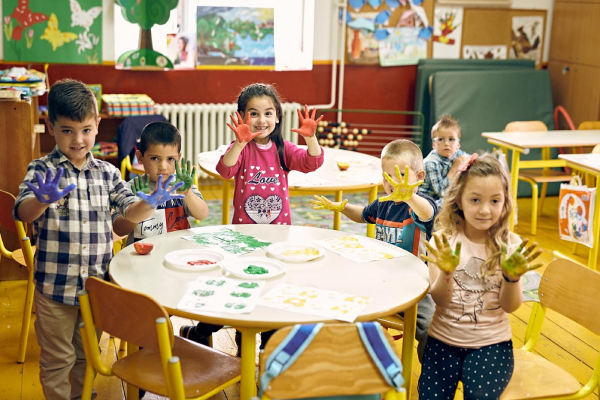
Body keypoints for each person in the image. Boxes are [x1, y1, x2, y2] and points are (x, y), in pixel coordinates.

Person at [13, 79, 184, 400]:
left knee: (85, 356)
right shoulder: (42, 169)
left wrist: (149, 202)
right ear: (51, 126)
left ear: (97, 125)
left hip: (96, 289)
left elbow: (128, 214)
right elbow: (23, 213)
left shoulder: (107, 173)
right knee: (57, 362)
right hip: (54, 290)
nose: (78, 140)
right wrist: (41, 200)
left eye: (86, 130)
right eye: (67, 131)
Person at [179, 83, 325, 349]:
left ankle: (268, 347)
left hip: (278, 239)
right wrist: (239, 142)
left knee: (273, 290)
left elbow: (312, 162)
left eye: (268, 113)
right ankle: (204, 332)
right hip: (244, 238)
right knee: (236, 288)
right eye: (253, 113)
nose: (261, 120)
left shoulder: (284, 149)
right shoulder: (243, 149)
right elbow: (225, 170)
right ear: (241, 117)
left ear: (278, 117)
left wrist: (311, 138)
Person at [419, 152, 543, 400]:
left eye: (495, 201)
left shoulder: (510, 245)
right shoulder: (444, 241)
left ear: (505, 201)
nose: (485, 210)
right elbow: (440, 301)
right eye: (475, 199)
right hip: (443, 341)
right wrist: (446, 273)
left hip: (492, 345)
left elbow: (510, 306)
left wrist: (512, 278)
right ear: (459, 201)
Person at [311, 139, 437, 361]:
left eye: (400, 176)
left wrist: (410, 196)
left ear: (419, 177)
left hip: (415, 287)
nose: (392, 184)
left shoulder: (419, 205)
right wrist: (343, 208)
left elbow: (427, 214)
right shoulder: (383, 204)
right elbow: (362, 215)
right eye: (387, 176)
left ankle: (431, 370)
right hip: (380, 280)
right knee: (340, 304)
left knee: (431, 330)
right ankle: (350, 360)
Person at [112, 121, 209, 246]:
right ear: (140, 157)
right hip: (143, 257)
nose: (163, 167)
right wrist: (142, 207)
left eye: (170, 159)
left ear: (178, 158)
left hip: (178, 253)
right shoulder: (131, 189)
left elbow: (202, 214)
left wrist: (188, 194)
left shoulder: (181, 185)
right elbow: (119, 230)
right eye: (155, 158)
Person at [418, 114, 470, 206]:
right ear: (434, 144)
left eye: (451, 139)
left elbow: (471, 159)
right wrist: (454, 168)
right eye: (441, 139)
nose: (446, 143)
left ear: (458, 144)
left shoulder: (457, 154)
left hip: (444, 198)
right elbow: (442, 192)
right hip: (428, 203)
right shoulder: (430, 163)